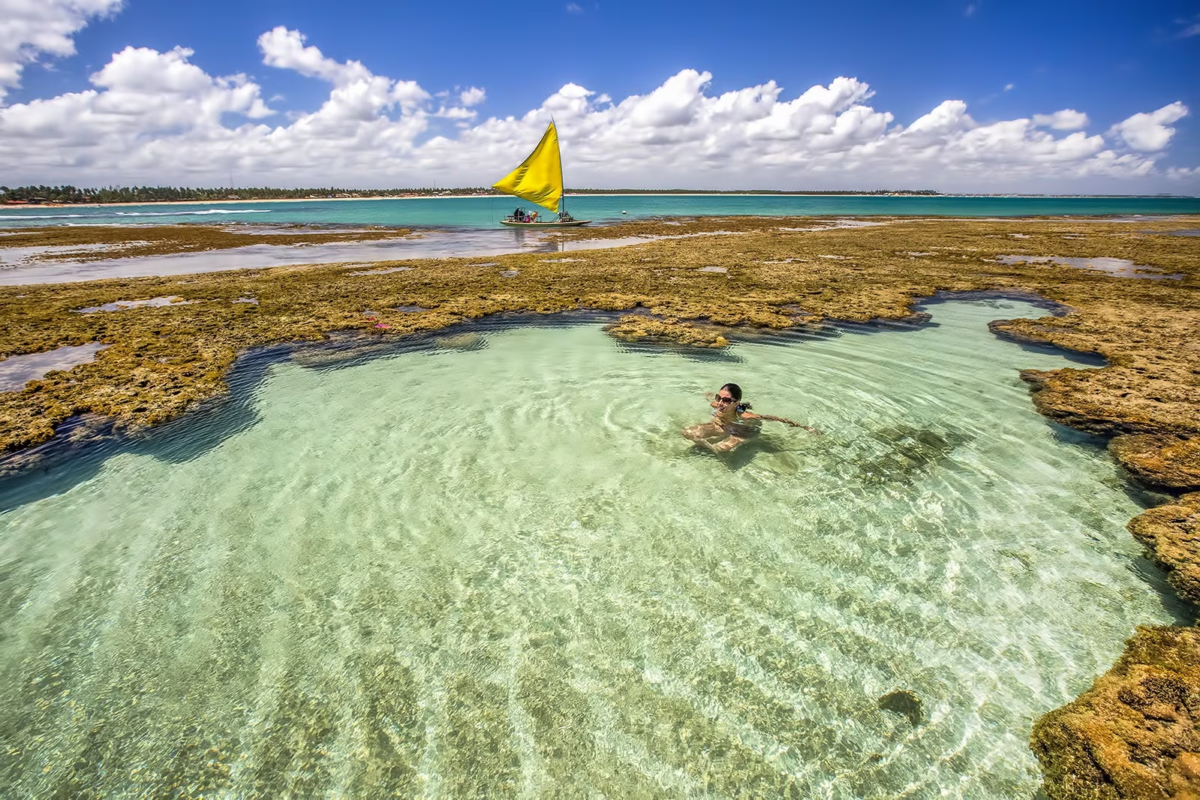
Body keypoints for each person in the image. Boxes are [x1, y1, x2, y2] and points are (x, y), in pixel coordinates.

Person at [682, 382, 817, 452]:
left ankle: (712, 448)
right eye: (719, 398)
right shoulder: (717, 404)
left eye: (726, 400)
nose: (721, 403)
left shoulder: (744, 415)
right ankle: (706, 446)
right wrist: (708, 395)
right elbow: (710, 398)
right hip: (722, 426)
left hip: (743, 431)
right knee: (687, 432)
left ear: (737, 402)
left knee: (721, 448)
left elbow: (771, 417)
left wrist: (804, 427)